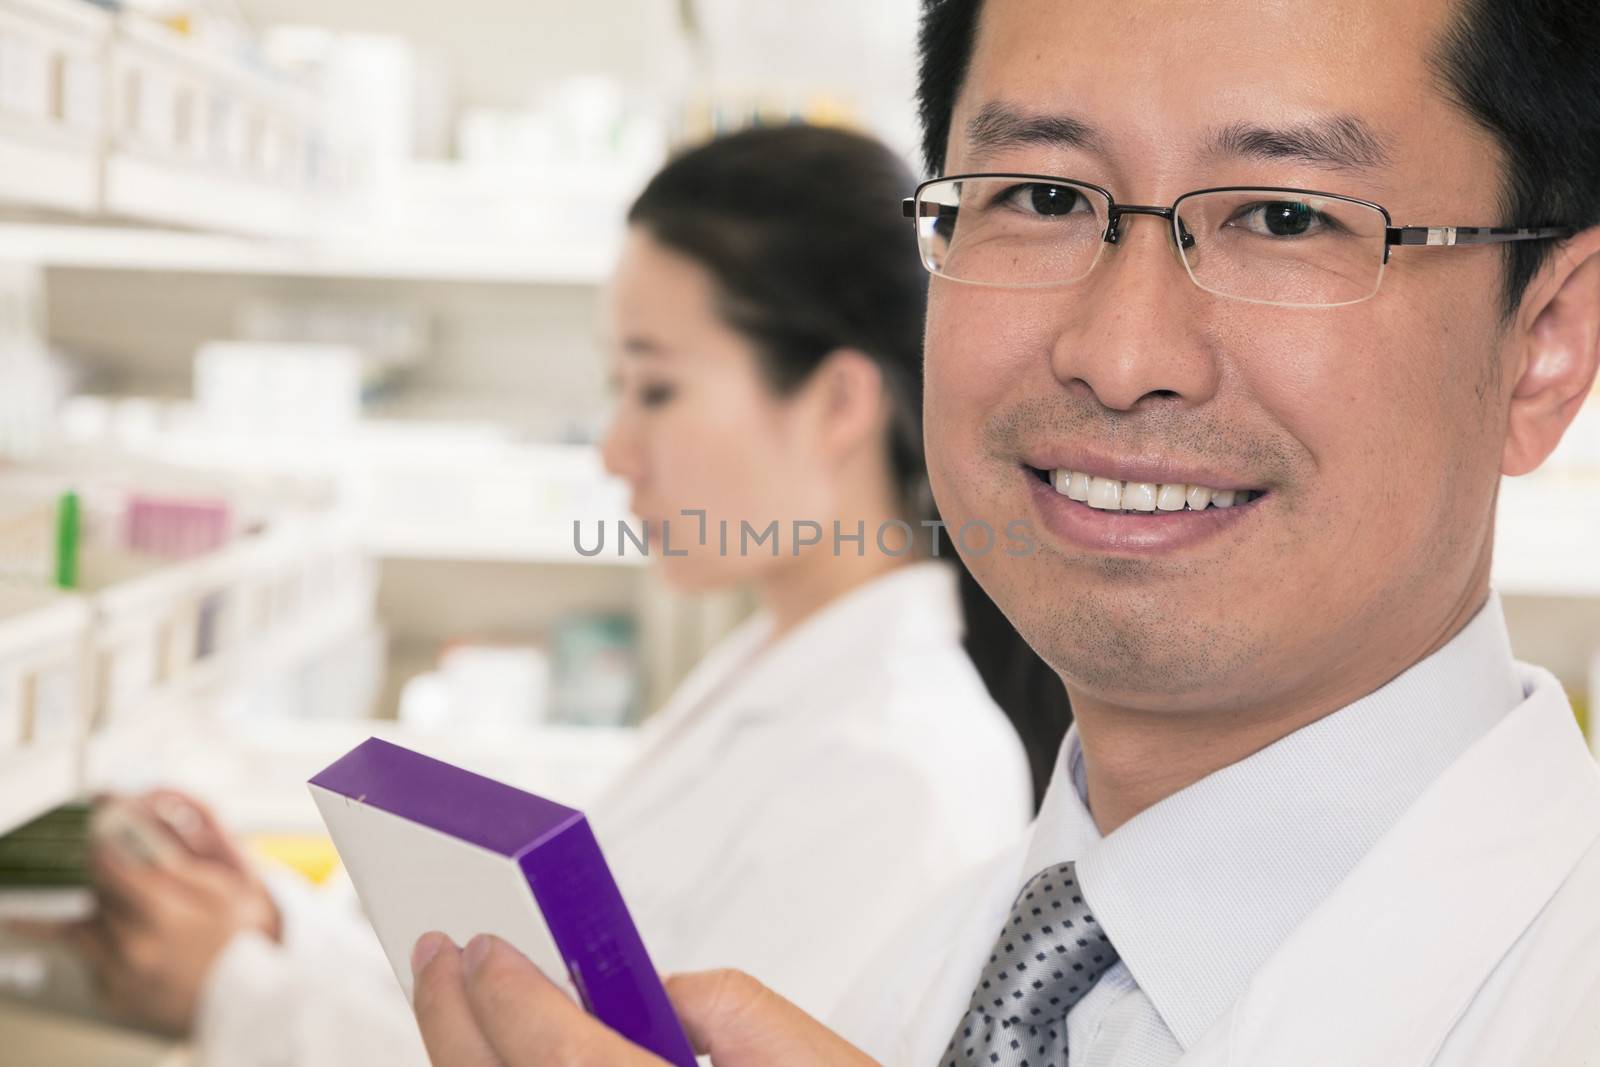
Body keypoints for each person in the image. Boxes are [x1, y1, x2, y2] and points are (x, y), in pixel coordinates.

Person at [404, 0, 1600, 1064]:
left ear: (1543, 341)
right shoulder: (944, 968)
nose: (1122, 355)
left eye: (1284, 216)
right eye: (1039, 197)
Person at [58, 124, 1072, 1065]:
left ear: (839, 401)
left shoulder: (900, 772)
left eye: (656, 387)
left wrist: (239, 990)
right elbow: (547, 988)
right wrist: (271, 925)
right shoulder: (775, 662)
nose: (615, 448)